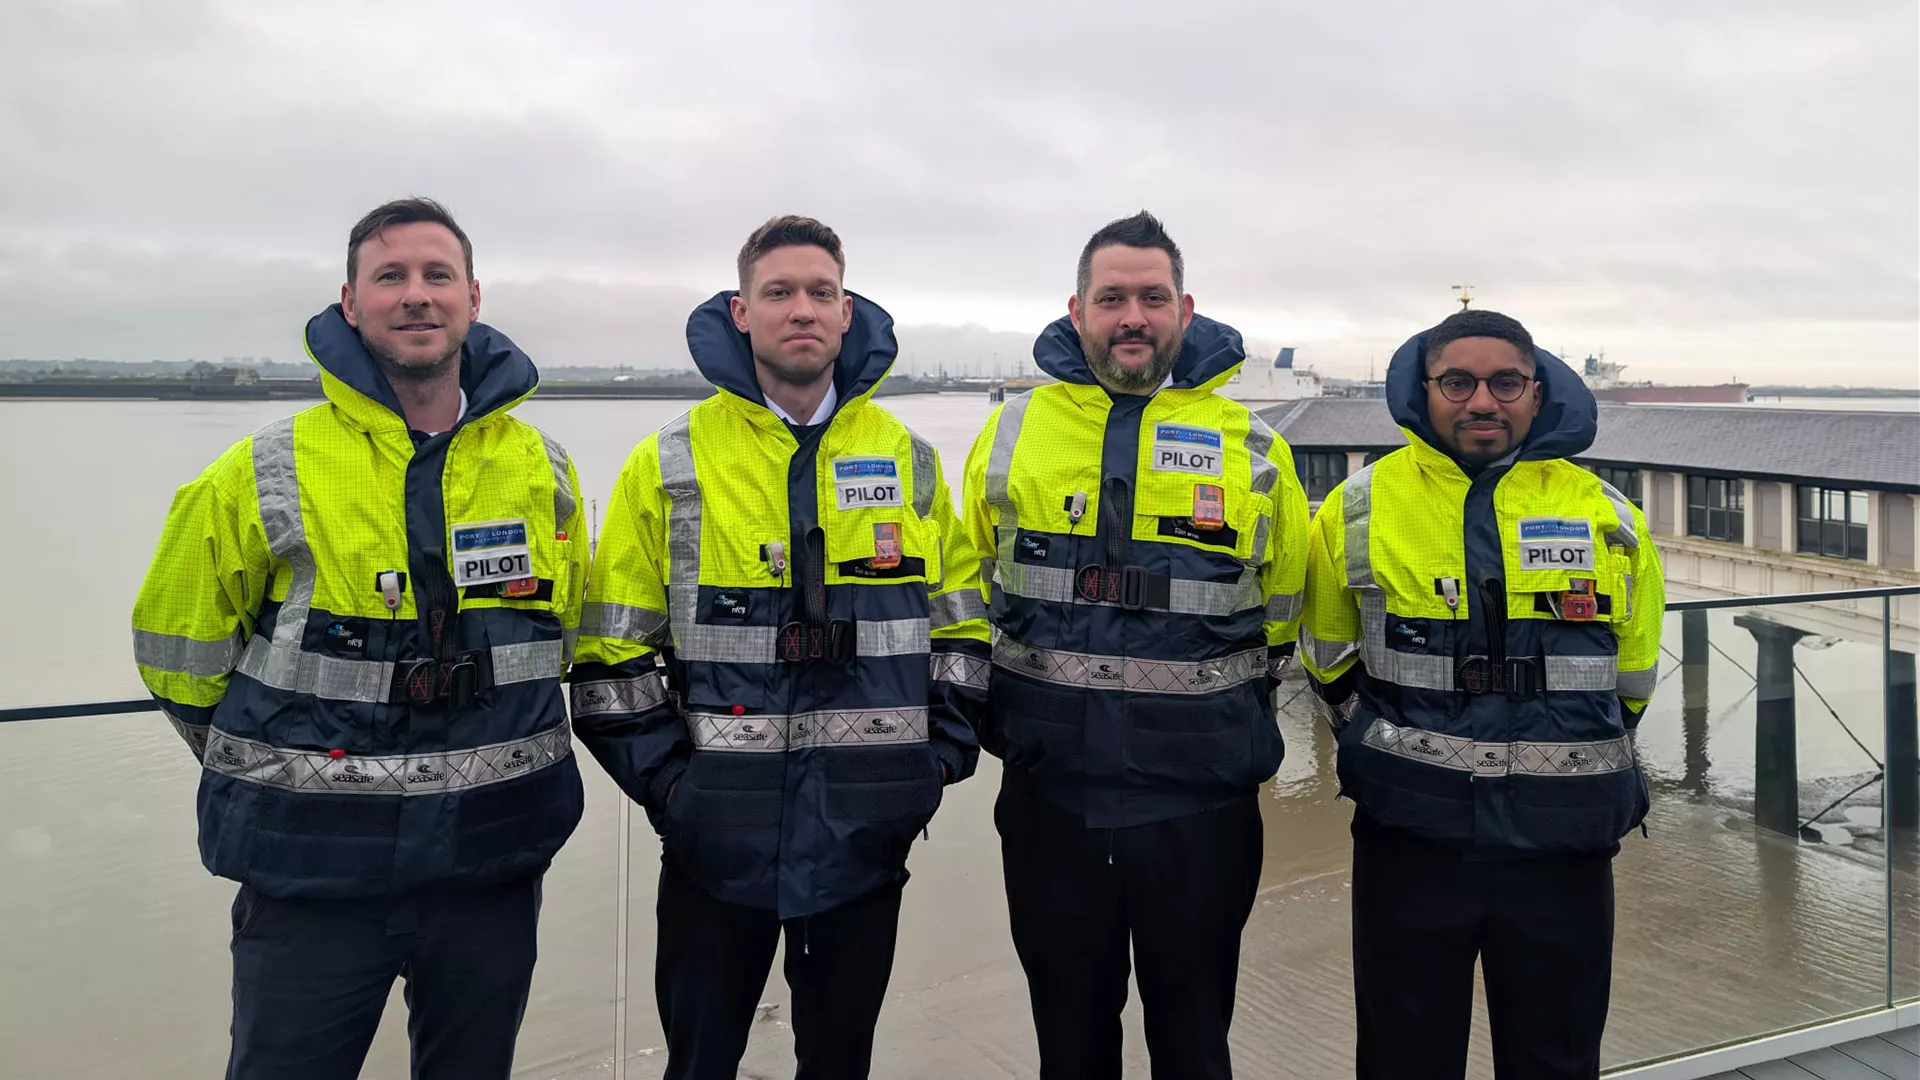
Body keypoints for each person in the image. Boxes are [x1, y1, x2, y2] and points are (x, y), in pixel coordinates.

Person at [130, 197, 588, 1079]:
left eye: (436, 275)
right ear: (350, 302)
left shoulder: (546, 470)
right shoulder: (262, 470)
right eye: (391, 276)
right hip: (310, 868)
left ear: (473, 297)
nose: (416, 296)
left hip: (492, 863)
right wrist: (278, 763)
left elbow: (563, 635)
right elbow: (174, 655)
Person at [568, 215, 989, 1080]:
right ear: (742, 312)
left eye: (821, 293)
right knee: (700, 1063)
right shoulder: (669, 463)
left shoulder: (907, 460)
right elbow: (609, 659)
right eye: (780, 292)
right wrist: (675, 791)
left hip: (869, 834)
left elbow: (961, 629)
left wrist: (933, 763)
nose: (803, 309)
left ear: (846, 312)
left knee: (839, 1064)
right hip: (713, 846)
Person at [959, 211, 1310, 1079]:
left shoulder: (1255, 450)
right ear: (1076, 311)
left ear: (1185, 310)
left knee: (1195, 1047)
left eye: (1152, 297)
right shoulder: (1012, 434)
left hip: (1200, 809)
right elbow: (964, 592)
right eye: (1111, 297)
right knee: (1070, 1051)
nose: (1132, 317)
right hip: (1052, 804)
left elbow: (1286, 612)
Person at [1297, 309, 1666, 1080]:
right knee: (1404, 1056)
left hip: (1563, 841)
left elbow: (1631, 681)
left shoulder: (1611, 518)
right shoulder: (1356, 509)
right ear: (1424, 391)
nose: (1482, 402)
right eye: (1458, 382)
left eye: (1505, 382)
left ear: (1538, 392)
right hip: (1412, 838)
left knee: (1556, 1059)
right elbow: (1328, 661)